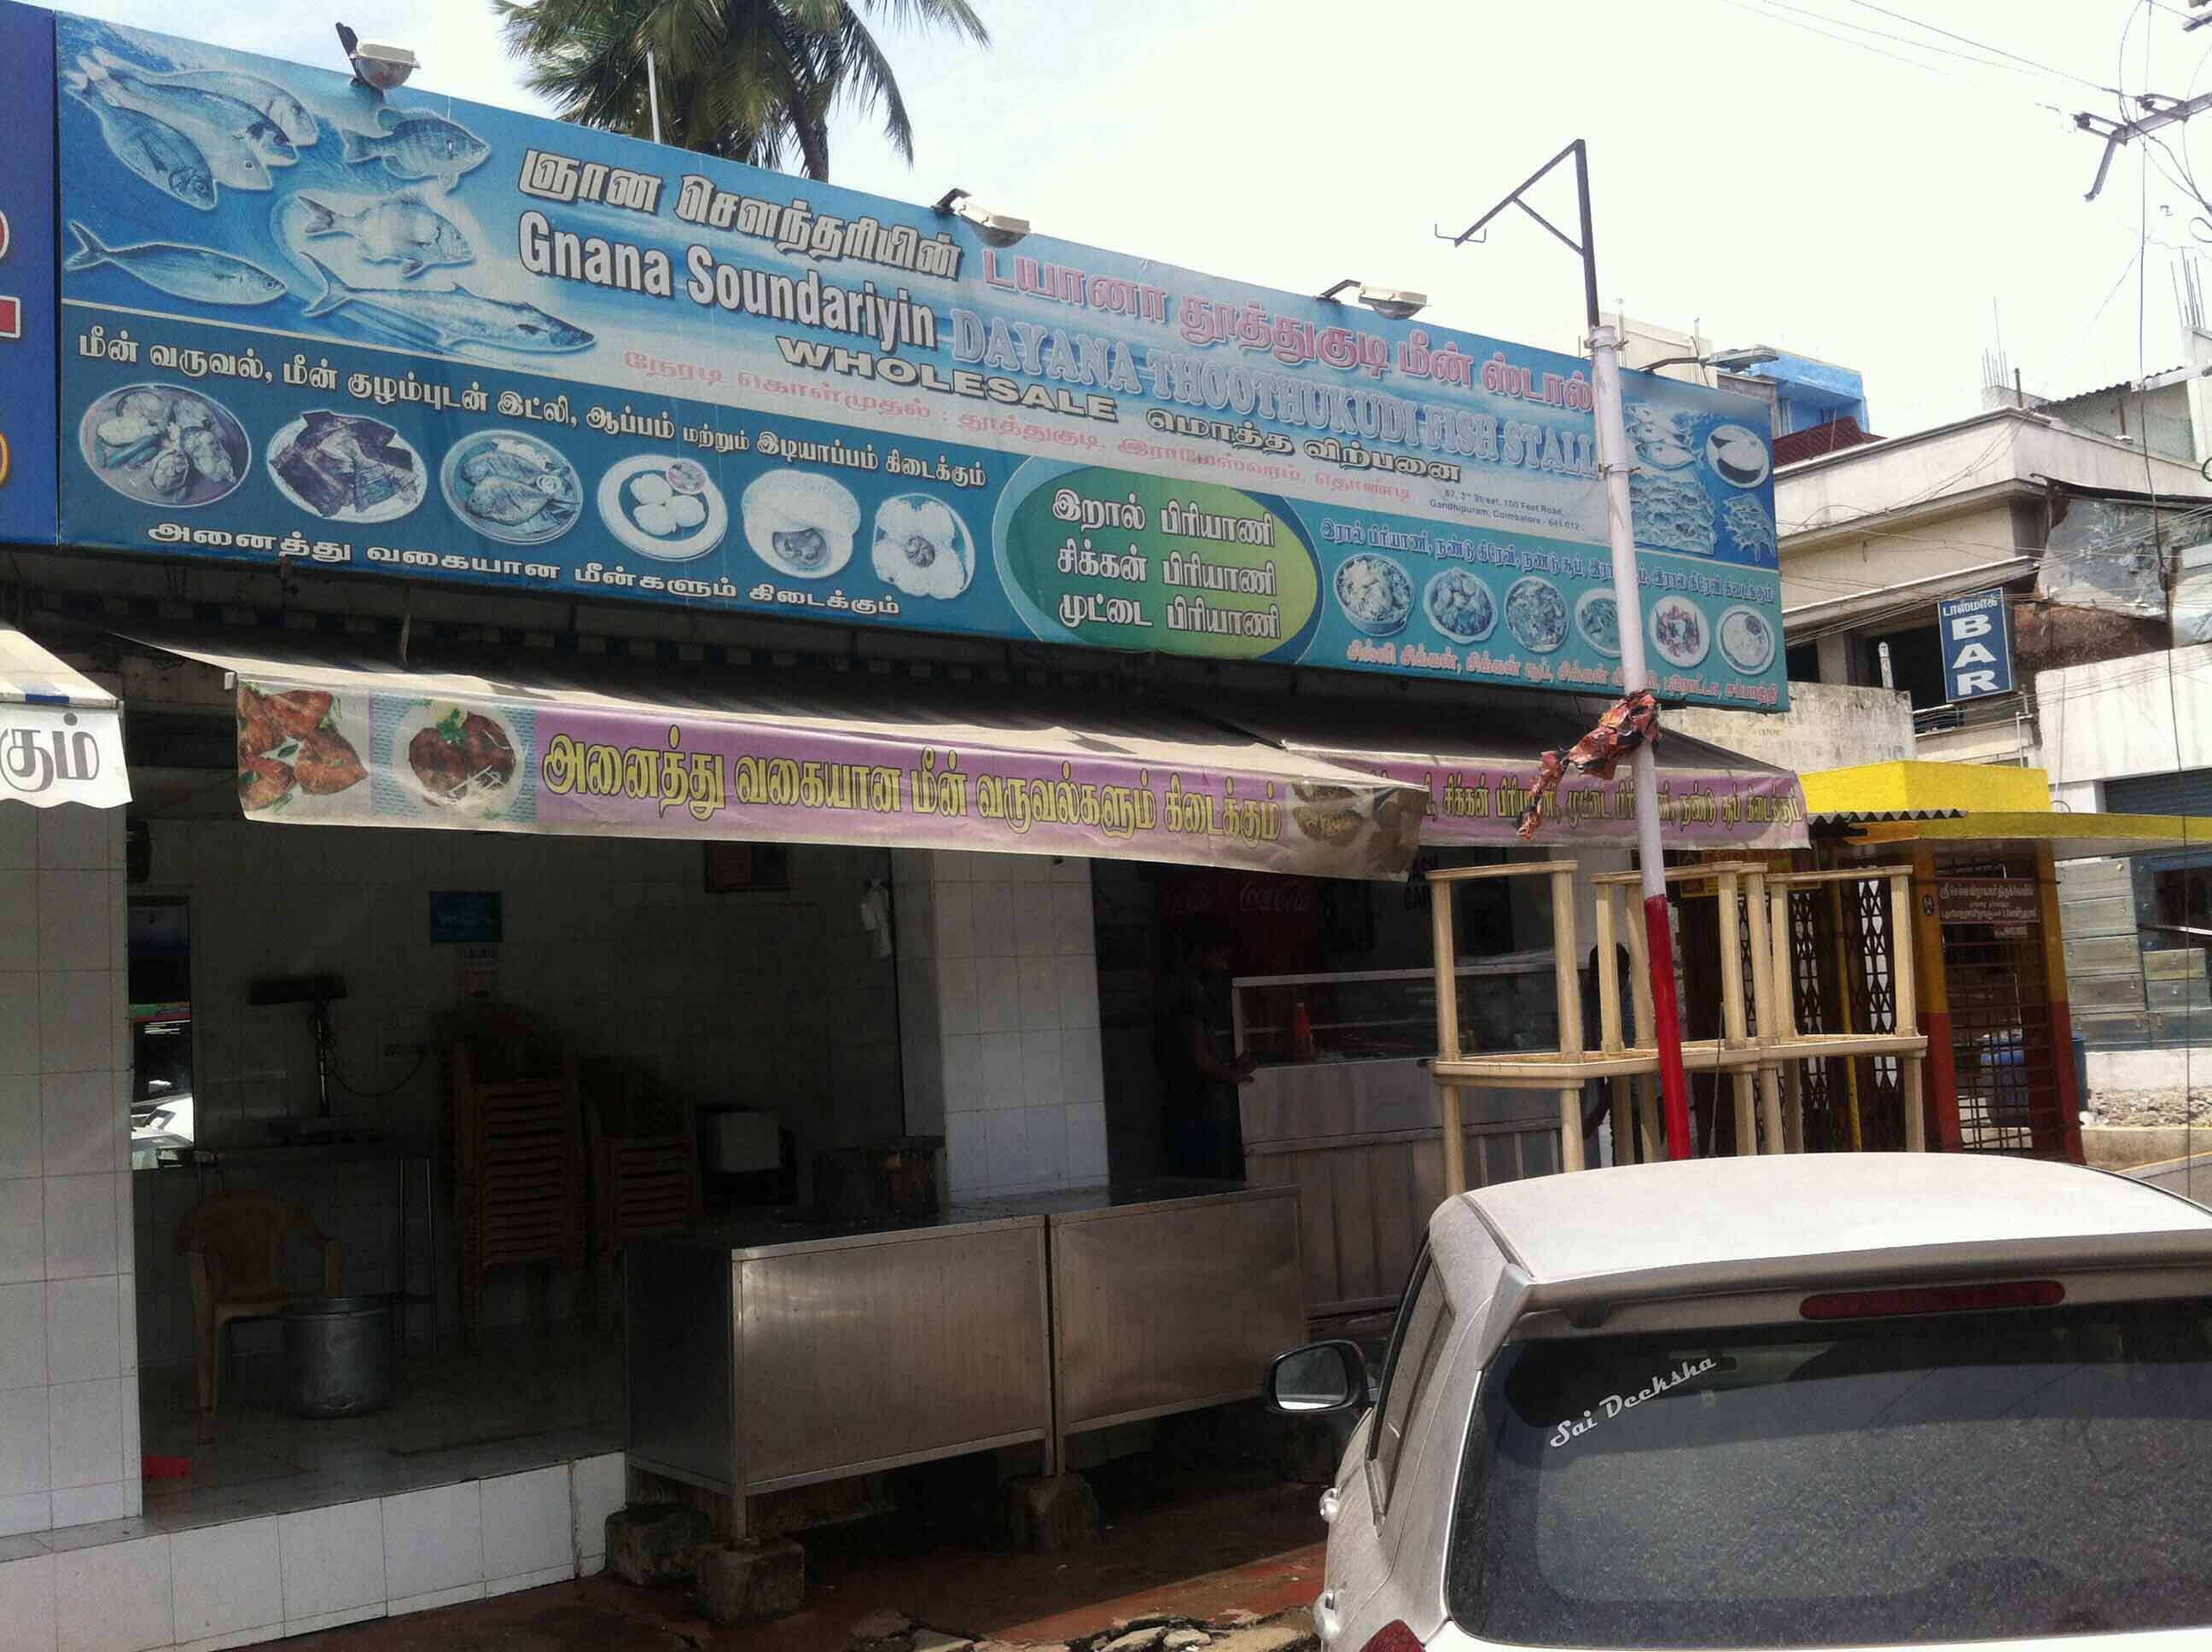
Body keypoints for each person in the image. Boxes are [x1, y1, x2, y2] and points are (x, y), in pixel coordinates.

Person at [1157, 917, 1254, 1181]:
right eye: (1220, 957)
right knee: (1207, 1181)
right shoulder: (1189, 992)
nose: (1224, 965)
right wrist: (1232, 1075)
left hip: (1184, 1107)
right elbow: (1198, 1056)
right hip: (1196, 1110)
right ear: (1200, 954)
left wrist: (1230, 1067)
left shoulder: (1179, 986)